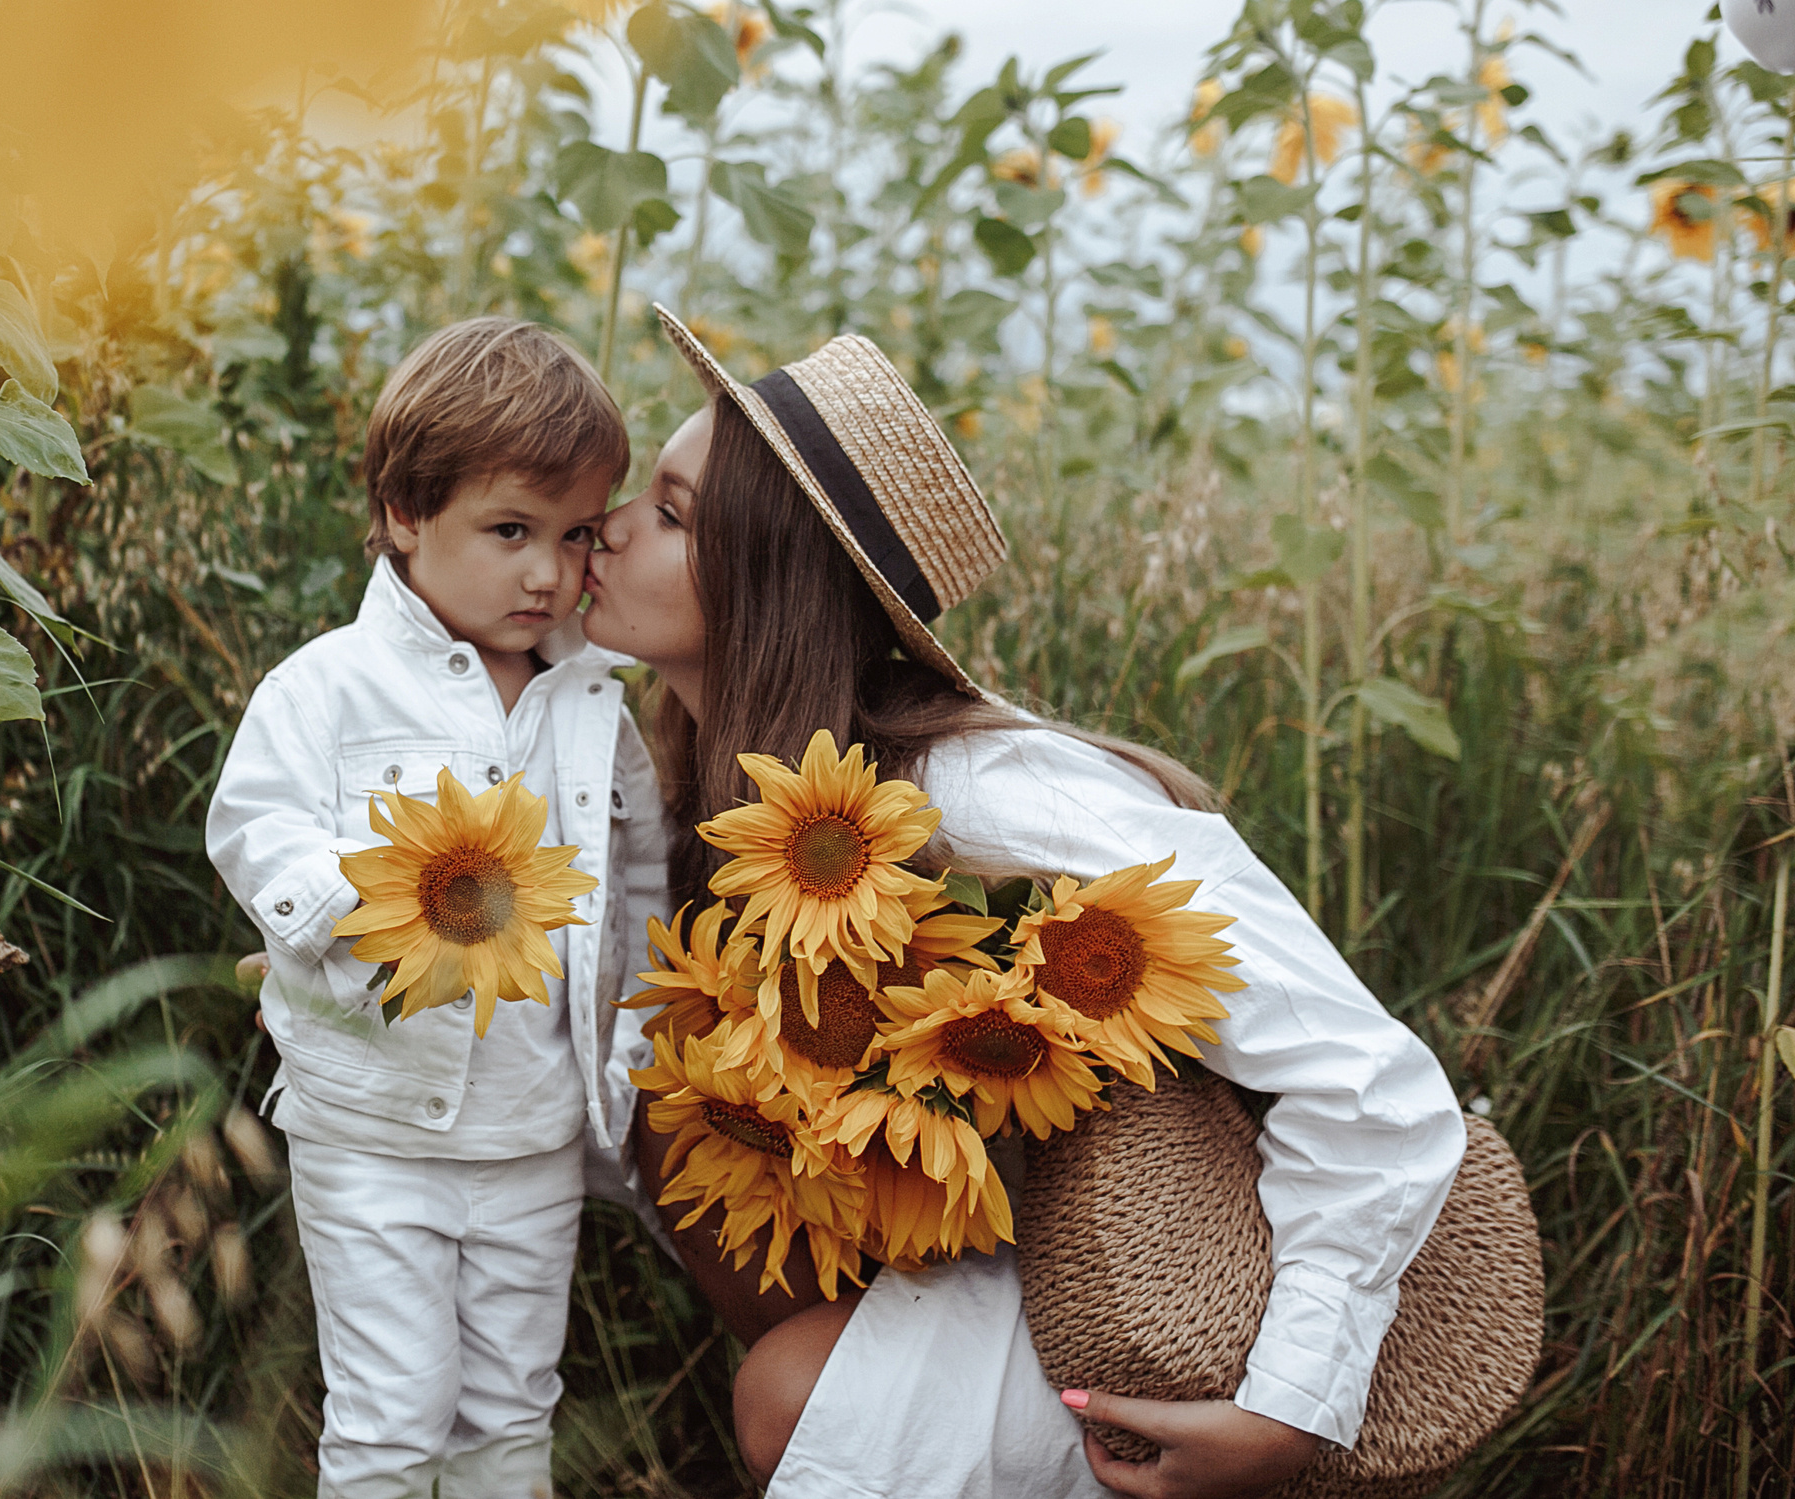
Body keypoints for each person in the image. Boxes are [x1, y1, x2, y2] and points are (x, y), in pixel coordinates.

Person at [581, 309, 1466, 1499]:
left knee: (787, 1397)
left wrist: (1288, 1411)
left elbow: (1375, 1084)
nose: (614, 525)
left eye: (673, 513)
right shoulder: (686, 777)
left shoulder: (987, 790)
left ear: (770, 577)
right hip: (988, 1246)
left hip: (1172, 1287)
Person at [206, 316, 667, 1499]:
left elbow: (637, 892)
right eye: (508, 531)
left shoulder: (591, 705)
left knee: (513, 1414)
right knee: (390, 1416)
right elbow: (254, 825)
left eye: (573, 537)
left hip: (534, 1129)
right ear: (407, 514)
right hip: (370, 1127)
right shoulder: (329, 687)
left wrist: (633, 1045)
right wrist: (342, 908)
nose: (547, 574)